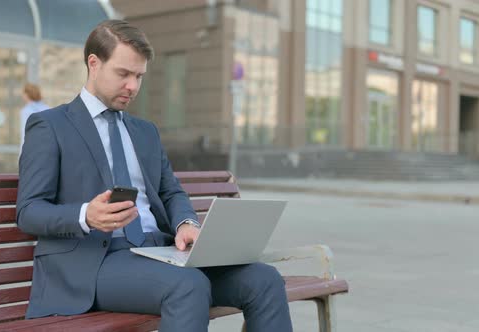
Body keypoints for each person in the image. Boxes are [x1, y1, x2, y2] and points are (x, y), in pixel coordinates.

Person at [16, 19, 293, 332]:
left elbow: (171, 192)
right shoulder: (50, 126)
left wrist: (186, 224)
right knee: (187, 286)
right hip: (94, 265)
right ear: (94, 63)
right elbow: (29, 211)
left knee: (264, 279)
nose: (133, 86)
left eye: (139, 76)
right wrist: (86, 215)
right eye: (123, 73)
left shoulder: (144, 132)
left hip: (160, 254)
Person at [19, 83, 49, 149]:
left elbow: (25, 133)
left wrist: (22, 153)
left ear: (27, 95)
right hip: (46, 146)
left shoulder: (26, 111)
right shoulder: (47, 108)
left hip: (31, 147)